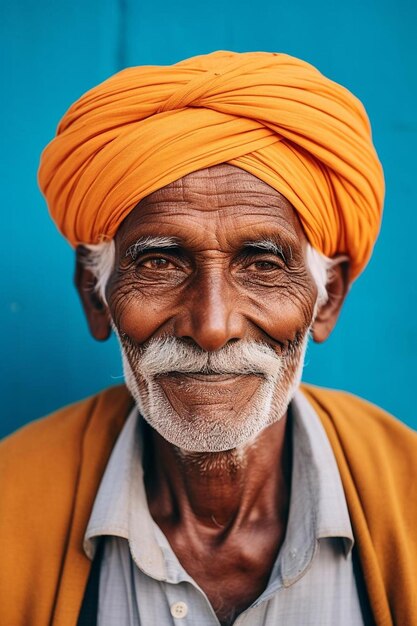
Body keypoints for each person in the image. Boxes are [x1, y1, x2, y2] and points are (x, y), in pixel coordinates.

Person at [1, 51, 416, 626]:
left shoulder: (408, 492)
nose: (213, 326)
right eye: (160, 263)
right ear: (95, 293)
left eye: (264, 264)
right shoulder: (9, 500)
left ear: (329, 298)